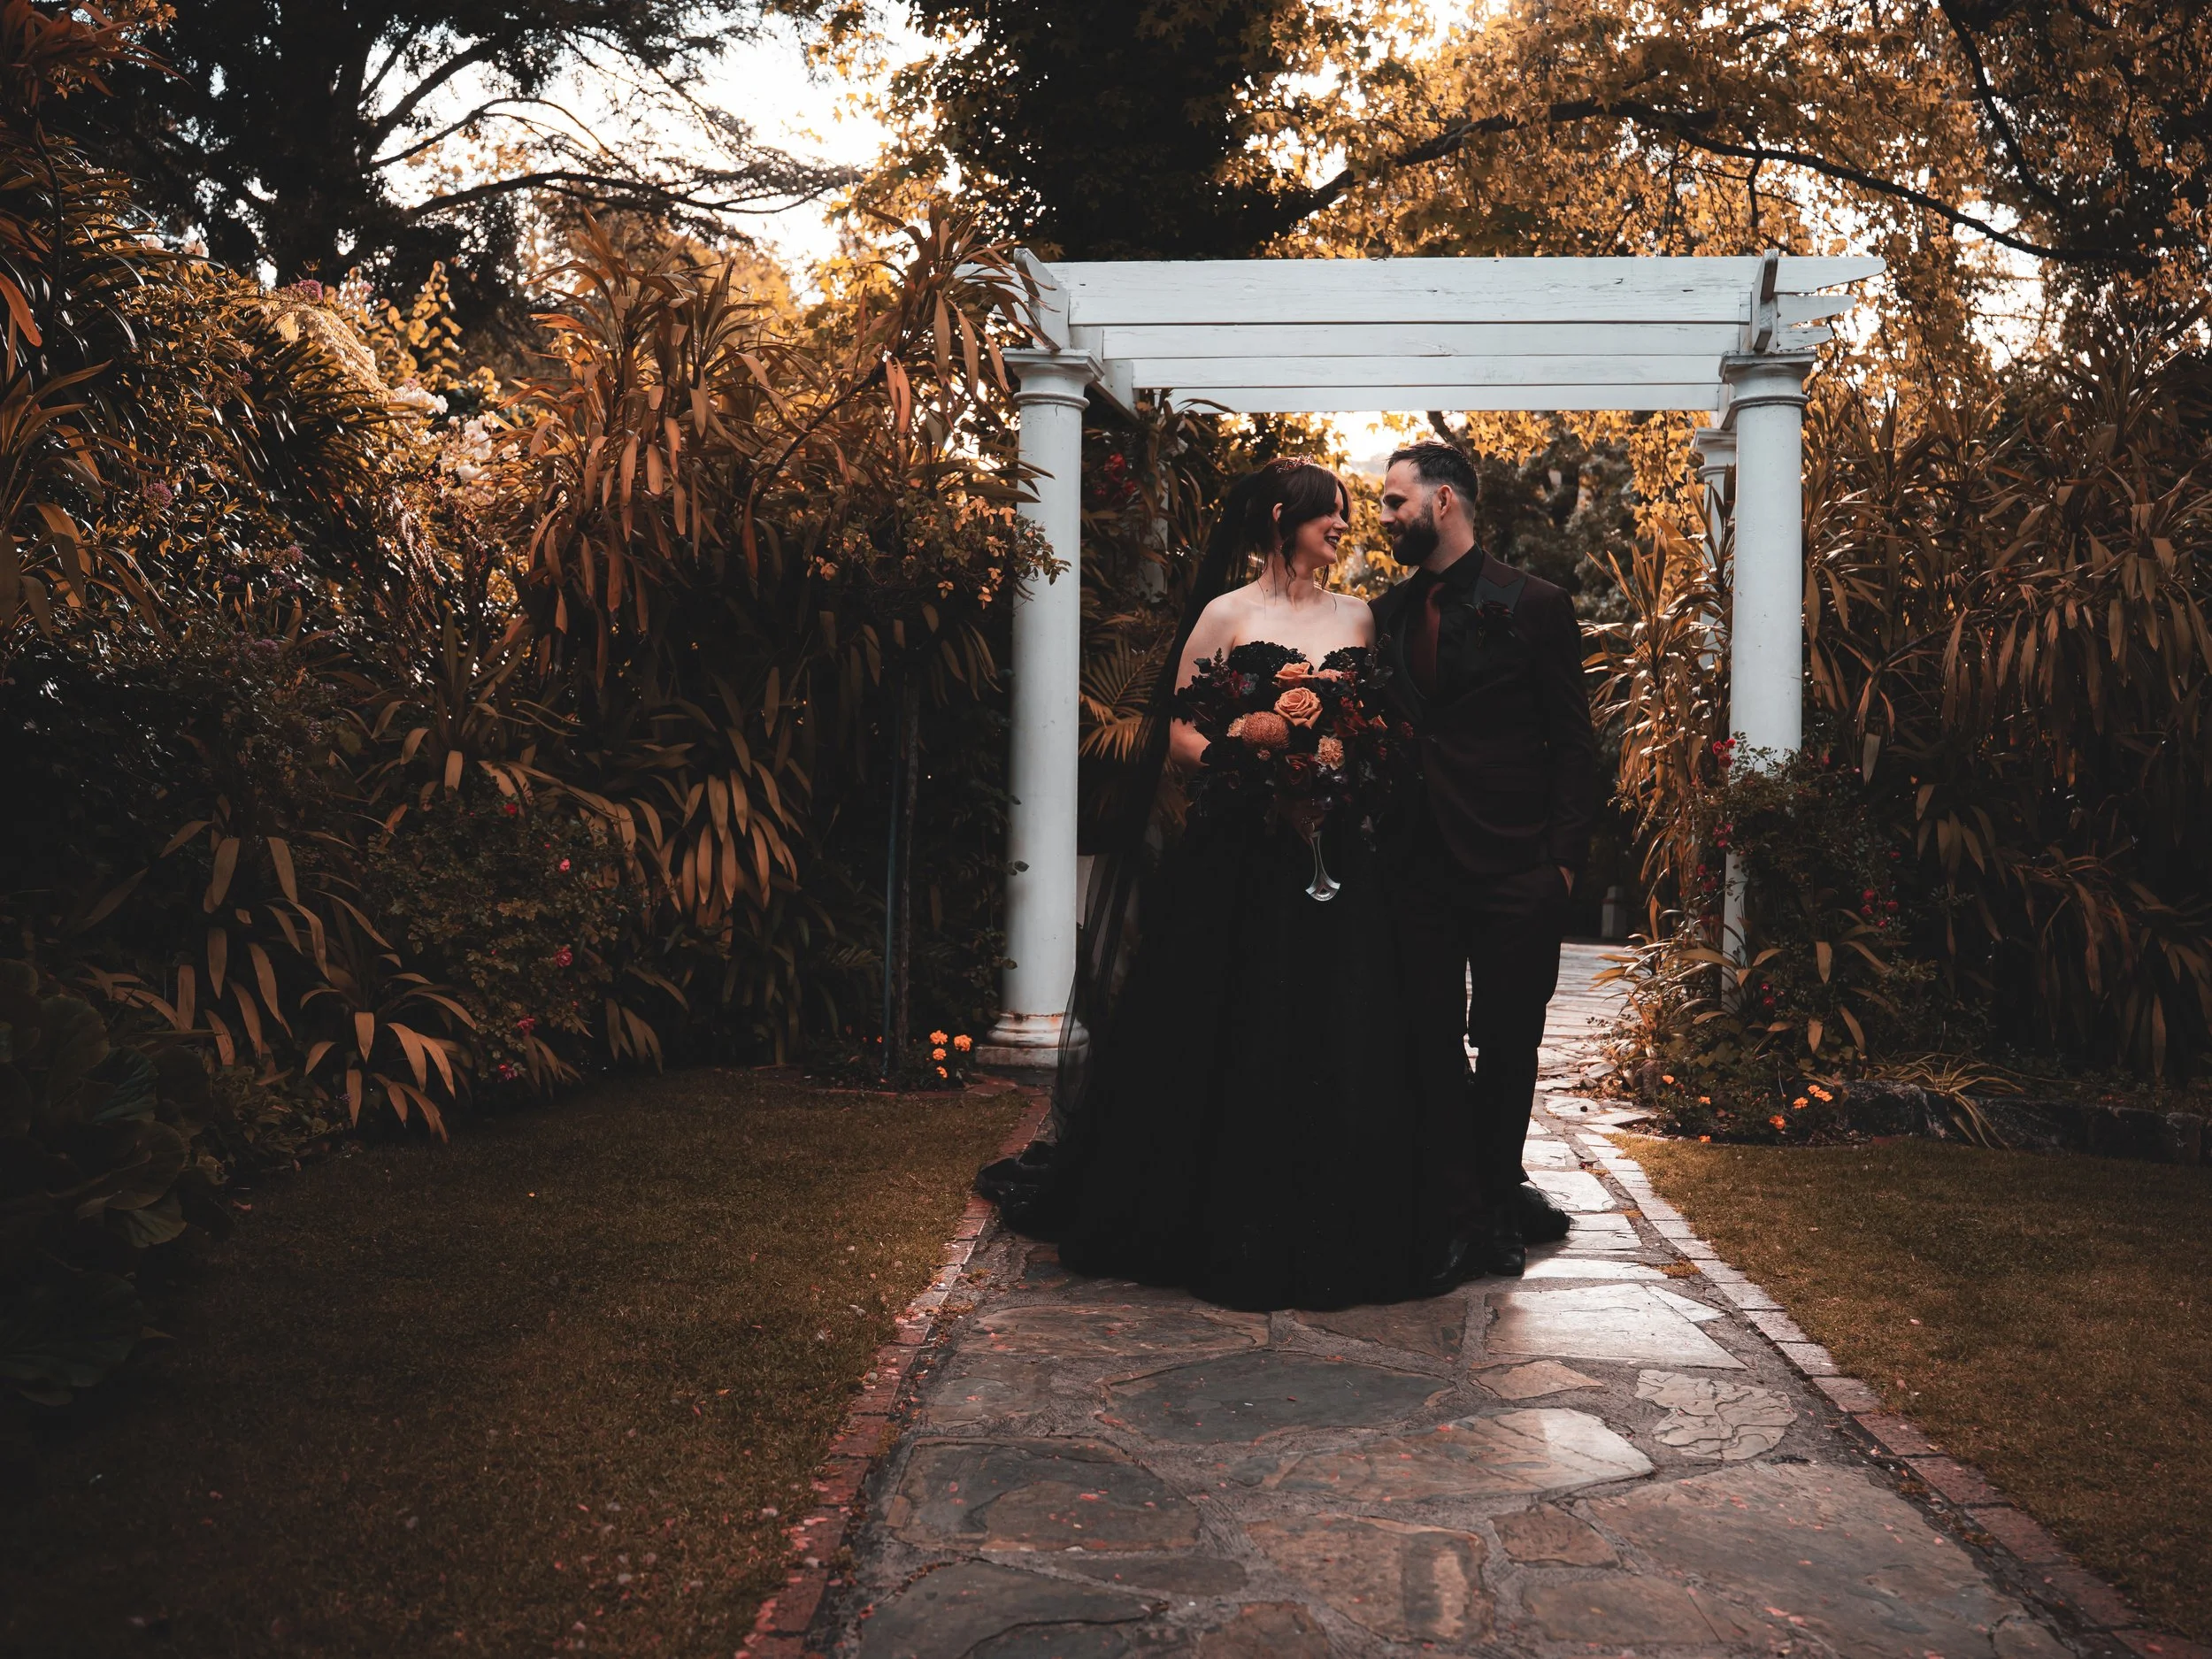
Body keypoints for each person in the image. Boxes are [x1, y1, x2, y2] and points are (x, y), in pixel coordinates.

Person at [977, 458, 1446, 1311]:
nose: (1343, 528)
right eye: (1328, 516)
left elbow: (1372, 726)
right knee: (1233, 1016)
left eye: (1345, 514)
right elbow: (1180, 734)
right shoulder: (1225, 614)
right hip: (1241, 851)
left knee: (1337, 1020)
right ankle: (1215, 1209)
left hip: (1333, 851)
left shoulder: (1360, 618)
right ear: (1280, 518)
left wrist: (1340, 768)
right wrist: (1256, 763)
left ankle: (1332, 1211)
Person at [1368, 441, 1598, 1278]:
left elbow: (1575, 745)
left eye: (1395, 502)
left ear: (1445, 503)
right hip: (1415, 867)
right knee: (1429, 1039)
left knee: (1507, 1041)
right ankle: (1456, 1210)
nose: (1384, 516)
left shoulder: (1535, 604)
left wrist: (1560, 869)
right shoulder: (1385, 615)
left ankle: (1499, 1203)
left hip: (1514, 870)